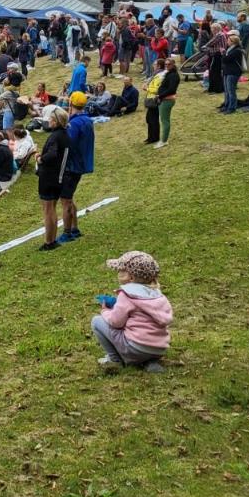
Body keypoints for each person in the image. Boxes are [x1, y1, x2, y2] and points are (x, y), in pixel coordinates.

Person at [91, 250, 172, 373]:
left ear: (131, 277)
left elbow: (115, 322)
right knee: (144, 339)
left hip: (135, 348)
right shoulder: (158, 295)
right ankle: (150, 362)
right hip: (158, 348)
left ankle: (115, 360)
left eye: (121, 271)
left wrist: (105, 311)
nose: (118, 273)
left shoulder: (127, 294)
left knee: (96, 321)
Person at [57, 92, 95, 245]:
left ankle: (67, 233)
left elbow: (68, 144)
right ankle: (75, 228)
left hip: (71, 166)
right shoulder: (87, 120)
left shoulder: (74, 123)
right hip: (80, 165)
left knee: (65, 200)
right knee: (70, 198)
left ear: (72, 104)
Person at [36, 106, 71, 252]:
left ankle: (49, 242)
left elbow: (52, 155)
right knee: (52, 208)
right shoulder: (65, 135)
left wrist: (40, 159)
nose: (48, 121)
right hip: (59, 177)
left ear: (56, 121)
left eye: (50, 118)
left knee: (48, 209)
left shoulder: (55, 137)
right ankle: (52, 239)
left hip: (50, 177)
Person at [155, 57, 180, 147]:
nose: (167, 66)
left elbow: (171, 89)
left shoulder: (173, 75)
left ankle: (164, 140)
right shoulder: (169, 73)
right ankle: (163, 139)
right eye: (166, 64)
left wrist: (160, 95)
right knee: (164, 120)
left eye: (169, 64)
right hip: (164, 99)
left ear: (173, 65)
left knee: (165, 121)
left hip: (167, 100)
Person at [219, 31, 244, 114]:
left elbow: (225, 60)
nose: (227, 42)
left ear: (233, 42)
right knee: (226, 90)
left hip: (233, 72)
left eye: (228, 40)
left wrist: (222, 53)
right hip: (227, 71)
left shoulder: (237, 51)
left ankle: (232, 107)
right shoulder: (230, 50)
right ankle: (226, 105)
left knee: (231, 91)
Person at [143, 58, 165, 144]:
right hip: (152, 99)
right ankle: (150, 137)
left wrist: (147, 88)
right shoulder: (156, 74)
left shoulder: (159, 76)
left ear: (159, 66)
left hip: (154, 100)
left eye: (154, 64)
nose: (153, 65)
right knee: (149, 119)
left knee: (153, 120)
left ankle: (154, 138)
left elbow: (157, 89)